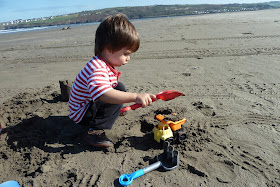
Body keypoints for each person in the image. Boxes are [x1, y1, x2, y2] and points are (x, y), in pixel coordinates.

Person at [68, 14, 156, 147]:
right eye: (126, 54)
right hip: (81, 114)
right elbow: (103, 94)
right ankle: (94, 133)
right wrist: (135, 97)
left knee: (118, 87)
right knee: (114, 93)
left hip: (87, 106)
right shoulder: (97, 67)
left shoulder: (103, 63)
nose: (128, 58)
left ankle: (107, 115)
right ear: (109, 49)